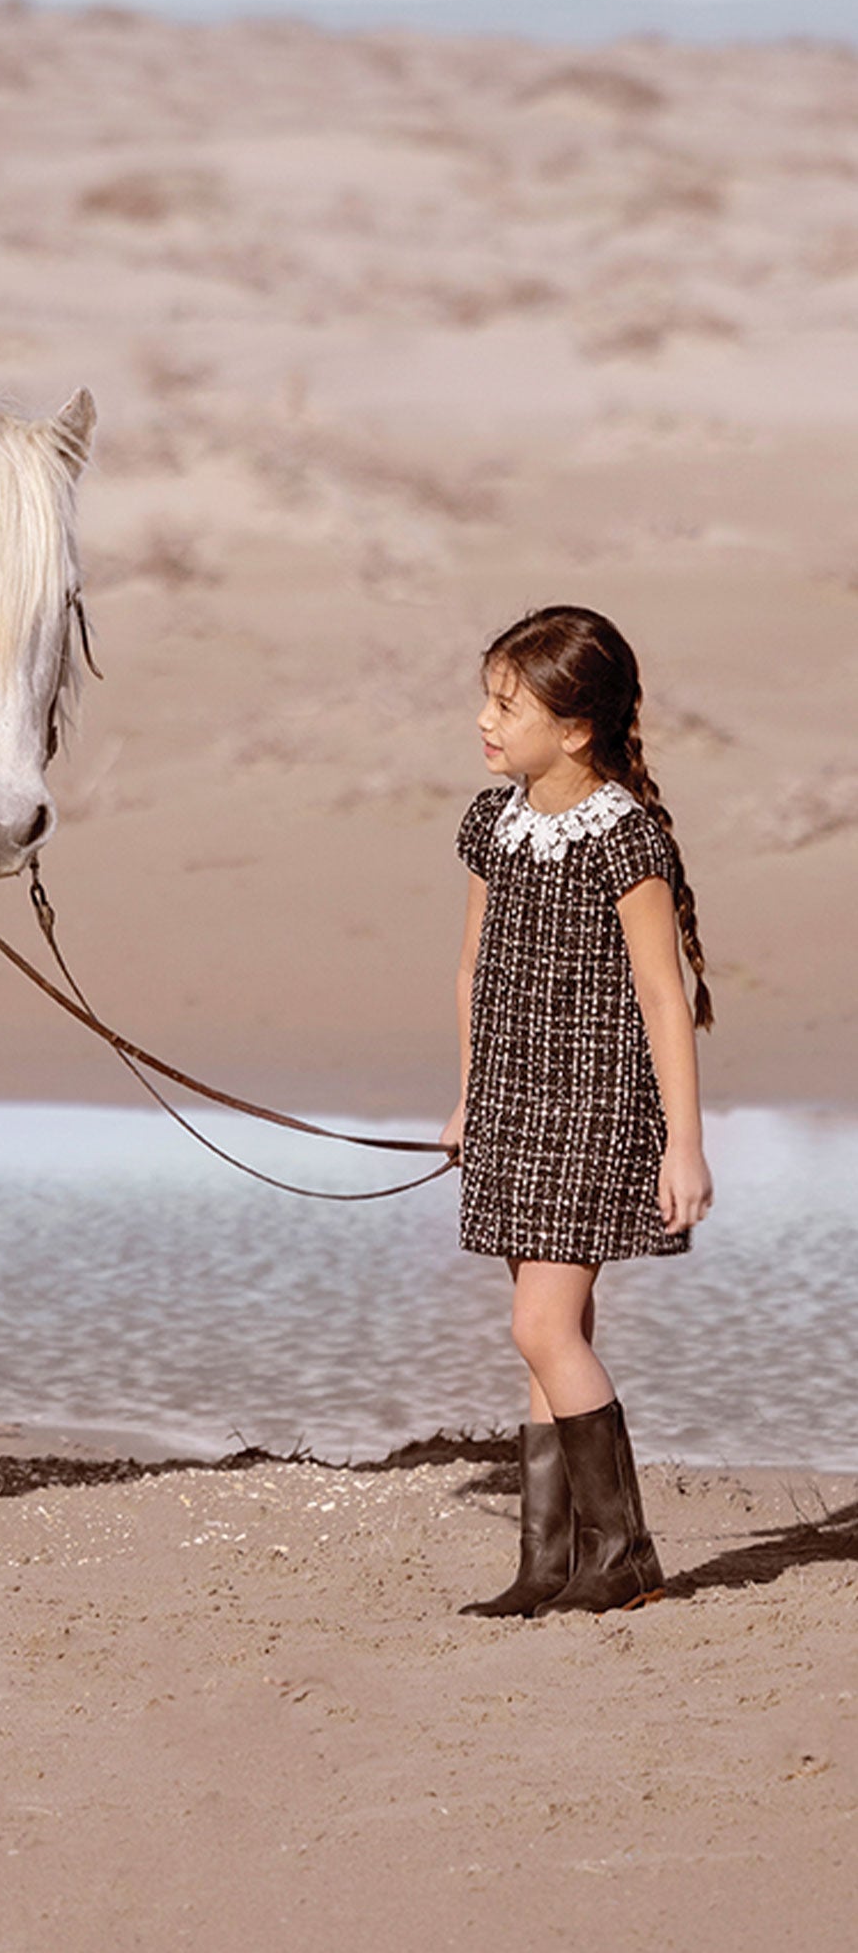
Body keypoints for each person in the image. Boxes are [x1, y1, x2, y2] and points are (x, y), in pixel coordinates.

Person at [441, 605, 713, 1617]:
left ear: (574, 729)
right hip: (512, 1107)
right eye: (484, 696)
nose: (483, 718)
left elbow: (661, 996)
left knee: (539, 1322)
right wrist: (469, 1098)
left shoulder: (622, 837)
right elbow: (471, 969)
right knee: (547, 1334)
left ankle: (625, 1551)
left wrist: (681, 1145)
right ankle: (547, 1558)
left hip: (594, 1111)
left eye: (505, 705)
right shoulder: (491, 822)